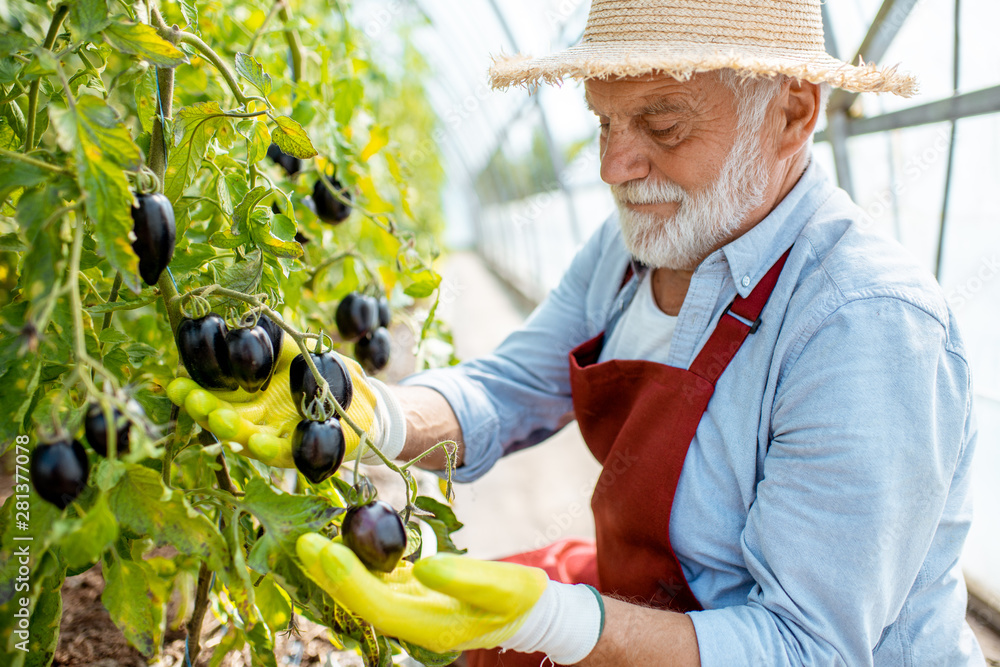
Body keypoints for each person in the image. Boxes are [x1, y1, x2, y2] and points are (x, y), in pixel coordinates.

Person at [170, 0, 986, 664]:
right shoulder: (640, 246)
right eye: (603, 123)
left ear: (793, 113)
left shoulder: (865, 327)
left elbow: (805, 648)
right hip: (649, 614)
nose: (613, 166)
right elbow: (510, 387)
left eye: (662, 126)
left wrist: (564, 624)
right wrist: (372, 418)